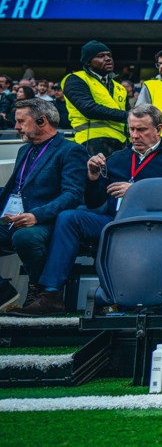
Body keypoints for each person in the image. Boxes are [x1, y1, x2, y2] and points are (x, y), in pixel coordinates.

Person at [9, 105, 162, 316]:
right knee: (69, 217)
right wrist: (93, 177)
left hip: (154, 225)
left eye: (141, 129)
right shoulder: (117, 159)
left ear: (159, 129)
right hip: (114, 223)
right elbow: (94, 201)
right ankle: (51, 294)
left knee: (72, 218)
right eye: (131, 129)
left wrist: (136, 190)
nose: (135, 135)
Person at [0, 99, 87, 312]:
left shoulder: (70, 150)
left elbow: (72, 195)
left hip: (49, 220)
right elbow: (14, 189)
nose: (16, 127)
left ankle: (43, 293)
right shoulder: (24, 150)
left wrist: (36, 216)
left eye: (21, 121)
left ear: (42, 120)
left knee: (25, 237)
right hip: (14, 217)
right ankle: (4, 292)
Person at [60, 40, 129, 157]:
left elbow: (128, 114)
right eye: (101, 56)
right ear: (88, 62)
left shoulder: (119, 87)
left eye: (109, 55)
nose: (107, 59)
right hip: (92, 140)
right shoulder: (75, 79)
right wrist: (128, 115)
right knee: (97, 175)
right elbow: (89, 109)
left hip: (122, 142)